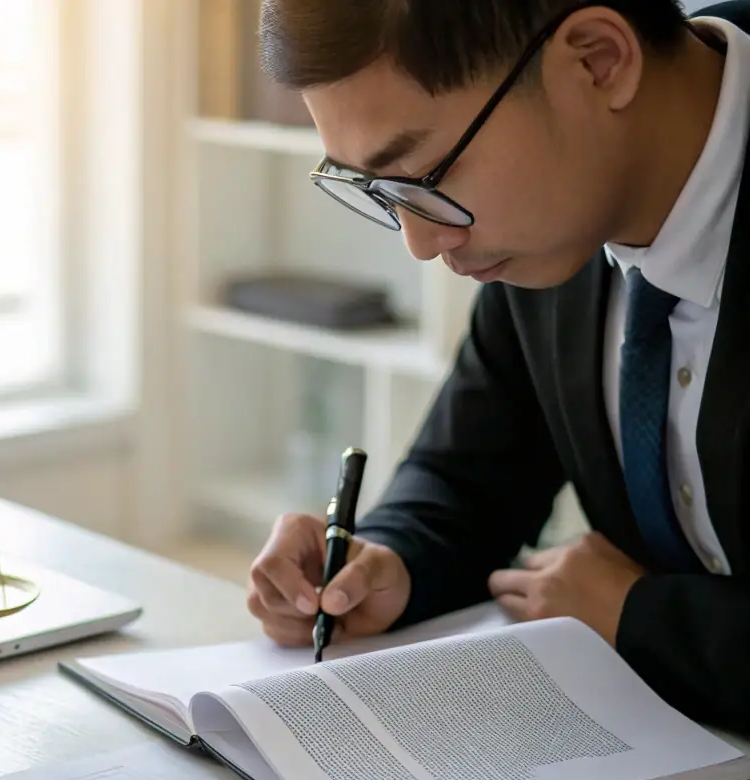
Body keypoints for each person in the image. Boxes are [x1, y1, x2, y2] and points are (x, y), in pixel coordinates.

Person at [245, 0, 750, 734]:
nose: (420, 243)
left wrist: (645, 621)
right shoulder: (553, 221)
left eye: (423, 175)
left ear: (597, 61)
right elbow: (470, 473)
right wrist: (383, 563)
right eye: (380, 191)